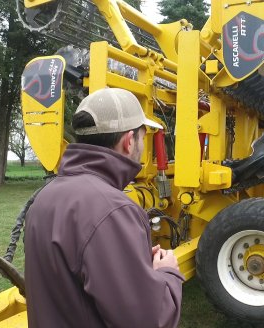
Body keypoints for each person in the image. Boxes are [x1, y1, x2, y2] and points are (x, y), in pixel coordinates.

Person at [24, 88, 184, 327]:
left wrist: (134, 262)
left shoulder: (45, 197)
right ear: (129, 142)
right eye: (142, 138)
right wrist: (167, 273)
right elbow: (149, 321)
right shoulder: (113, 210)